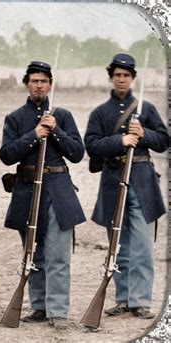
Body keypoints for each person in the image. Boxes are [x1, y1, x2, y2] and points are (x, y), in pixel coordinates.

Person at [0, 61, 86, 330]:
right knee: (32, 253)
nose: (39, 85)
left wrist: (56, 130)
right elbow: (6, 155)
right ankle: (39, 306)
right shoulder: (15, 118)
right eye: (34, 81)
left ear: (50, 85)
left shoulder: (63, 115)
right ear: (27, 83)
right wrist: (35, 134)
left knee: (58, 254)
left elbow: (77, 153)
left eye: (44, 81)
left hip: (58, 188)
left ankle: (58, 311)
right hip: (27, 190)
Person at [84, 53, 167, 320]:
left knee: (142, 244)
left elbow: (164, 141)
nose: (121, 79)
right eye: (117, 75)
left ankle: (140, 300)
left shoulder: (147, 109)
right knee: (117, 243)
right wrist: (120, 141)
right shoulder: (100, 113)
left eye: (126, 75)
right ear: (111, 77)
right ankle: (122, 298)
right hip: (112, 179)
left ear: (132, 78)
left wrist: (144, 134)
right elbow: (92, 145)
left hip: (142, 179)